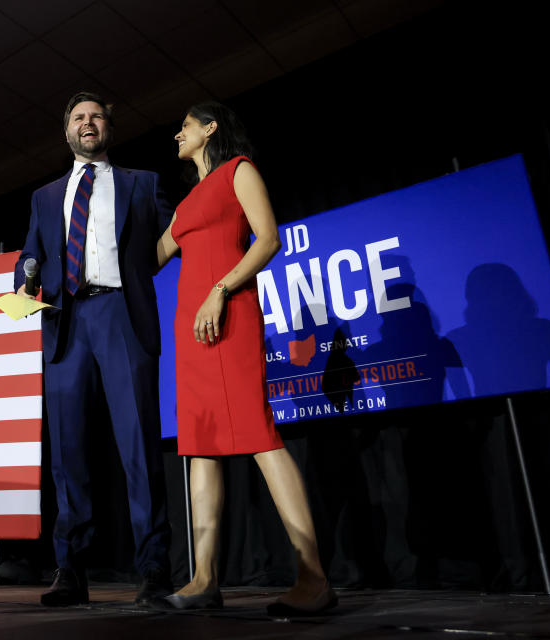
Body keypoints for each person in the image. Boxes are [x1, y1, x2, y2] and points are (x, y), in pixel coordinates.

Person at [155, 102, 336, 615]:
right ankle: (203, 581)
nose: (177, 134)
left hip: (229, 316)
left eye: (185, 126)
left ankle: (314, 578)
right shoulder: (185, 203)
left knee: (259, 436)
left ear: (210, 128)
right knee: (200, 445)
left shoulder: (240, 171)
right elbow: (152, 258)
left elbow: (269, 239)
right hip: (190, 333)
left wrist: (221, 288)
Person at [15, 91, 174, 607]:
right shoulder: (44, 196)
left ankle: (153, 570)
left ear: (110, 127)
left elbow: (179, 233)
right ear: (67, 133)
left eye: (96, 116)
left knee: (138, 446)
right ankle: (71, 570)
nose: (88, 123)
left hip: (121, 315)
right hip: (65, 322)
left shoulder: (142, 184)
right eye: (78, 118)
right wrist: (22, 281)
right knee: (69, 454)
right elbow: (30, 254)